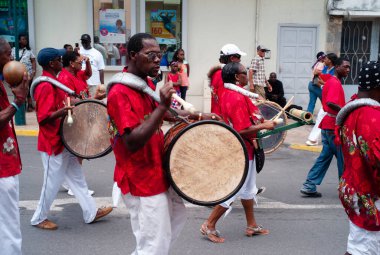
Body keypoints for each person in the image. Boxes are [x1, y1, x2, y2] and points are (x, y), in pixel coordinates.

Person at [107, 33, 219, 254]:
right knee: (154, 242)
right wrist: (161, 108)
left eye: (160, 55)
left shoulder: (144, 83)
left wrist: (197, 116)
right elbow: (131, 142)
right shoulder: (120, 92)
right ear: (132, 55)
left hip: (156, 168)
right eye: (151, 55)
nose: (158, 60)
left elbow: (163, 113)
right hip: (140, 178)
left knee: (175, 217)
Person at [30, 47, 112, 230]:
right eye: (60, 58)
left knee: (77, 179)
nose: (62, 60)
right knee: (50, 185)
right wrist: (62, 111)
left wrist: (92, 100)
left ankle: (91, 212)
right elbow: (43, 118)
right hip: (53, 143)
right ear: (52, 63)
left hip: (64, 140)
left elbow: (68, 101)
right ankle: (38, 218)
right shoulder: (45, 85)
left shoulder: (54, 82)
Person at [200, 62, 276, 243]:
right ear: (236, 77)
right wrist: (265, 125)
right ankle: (209, 225)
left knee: (249, 189)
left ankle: (251, 224)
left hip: (245, 148)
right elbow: (240, 130)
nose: (247, 75)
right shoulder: (235, 97)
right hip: (240, 149)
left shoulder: (229, 93)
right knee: (234, 189)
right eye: (244, 72)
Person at [336, 61, 380, 255]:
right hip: (369, 195)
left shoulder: (352, 109)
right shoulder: (371, 116)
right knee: (364, 249)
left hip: (353, 188)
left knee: (358, 245)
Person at [300, 57, 350, 197]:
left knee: (325, 157)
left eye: (349, 67)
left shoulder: (332, 81)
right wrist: (347, 111)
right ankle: (346, 188)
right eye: (345, 67)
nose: (348, 70)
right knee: (343, 158)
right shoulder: (334, 83)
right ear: (337, 67)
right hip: (333, 126)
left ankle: (309, 185)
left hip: (328, 125)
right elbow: (331, 103)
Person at [0, 38, 28, 255]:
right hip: (2, 169)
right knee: (9, 226)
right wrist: (17, 102)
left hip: (6, 164)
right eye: (8, 54)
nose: (12, 59)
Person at [306, 53, 338, 146]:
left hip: (331, 97)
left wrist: (321, 83)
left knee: (324, 116)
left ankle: (313, 139)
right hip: (326, 95)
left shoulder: (334, 71)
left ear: (330, 61)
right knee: (322, 116)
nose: (324, 60)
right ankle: (314, 139)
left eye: (326, 59)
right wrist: (319, 80)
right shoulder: (325, 68)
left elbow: (331, 84)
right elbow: (319, 79)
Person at [208, 43, 246, 115]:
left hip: (220, 117)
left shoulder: (218, 73)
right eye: (239, 57)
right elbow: (228, 99)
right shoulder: (223, 74)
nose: (240, 60)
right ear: (232, 58)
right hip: (223, 120)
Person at [11, 34, 36, 112]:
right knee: (19, 89)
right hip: (17, 73)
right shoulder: (13, 50)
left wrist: (33, 71)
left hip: (28, 73)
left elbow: (33, 61)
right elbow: (10, 60)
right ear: (19, 40)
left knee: (28, 89)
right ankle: (21, 106)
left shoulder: (29, 50)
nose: (25, 40)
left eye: (26, 39)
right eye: (23, 39)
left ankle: (30, 105)